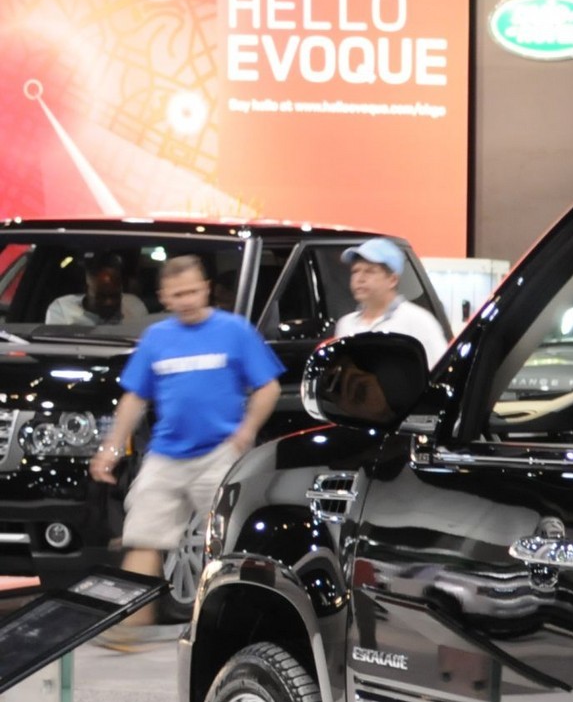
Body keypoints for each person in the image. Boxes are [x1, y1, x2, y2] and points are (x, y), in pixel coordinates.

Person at [87, 254, 282, 617]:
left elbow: (267, 387)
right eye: (178, 295)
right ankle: (129, 626)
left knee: (230, 545)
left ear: (206, 289)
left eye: (193, 291)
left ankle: (234, 620)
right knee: (143, 536)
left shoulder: (235, 331)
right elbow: (134, 397)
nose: (187, 300)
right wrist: (110, 448)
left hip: (222, 455)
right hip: (166, 455)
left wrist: (246, 431)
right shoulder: (156, 338)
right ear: (164, 297)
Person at [328, 236, 448, 366]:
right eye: (355, 271)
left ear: (392, 280)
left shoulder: (418, 321)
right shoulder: (346, 324)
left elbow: (440, 372)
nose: (359, 278)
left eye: (369, 271)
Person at [44, 256, 136, 327]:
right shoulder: (62, 310)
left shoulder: (134, 307)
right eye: (101, 296)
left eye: (114, 296)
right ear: (86, 290)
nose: (109, 302)